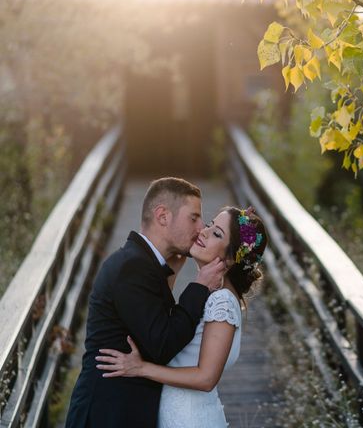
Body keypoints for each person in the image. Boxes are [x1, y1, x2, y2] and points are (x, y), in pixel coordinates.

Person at [66, 177, 227, 428]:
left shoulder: (145, 265)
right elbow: (163, 344)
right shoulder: (132, 266)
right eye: (193, 218)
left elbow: (157, 326)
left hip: (123, 410)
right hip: (108, 414)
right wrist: (200, 286)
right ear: (163, 215)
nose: (200, 228)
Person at [95, 206, 267, 428]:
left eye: (217, 234)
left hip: (190, 419)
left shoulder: (222, 301)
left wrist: (140, 368)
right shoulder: (212, 294)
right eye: (210, 224)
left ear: (232, 259)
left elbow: (206, 378)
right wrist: (172, 272)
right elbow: (169, 331)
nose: (204, 232)